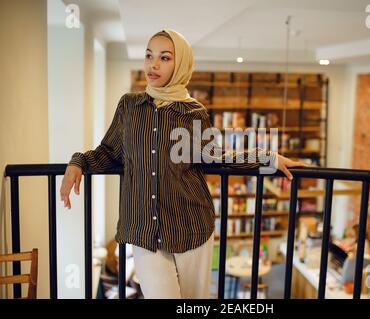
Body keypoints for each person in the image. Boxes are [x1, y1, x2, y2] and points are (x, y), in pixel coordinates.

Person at [60, 29, 308, 299]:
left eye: (165, 58)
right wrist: (79, 162)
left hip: (190, 226)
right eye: (149, 55)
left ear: (180, 65)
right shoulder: (129, 106)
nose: (153, 64)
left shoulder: (193, 112)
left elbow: (217, 156)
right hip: (143, 230)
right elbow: (109, 151)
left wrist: (268, 158)